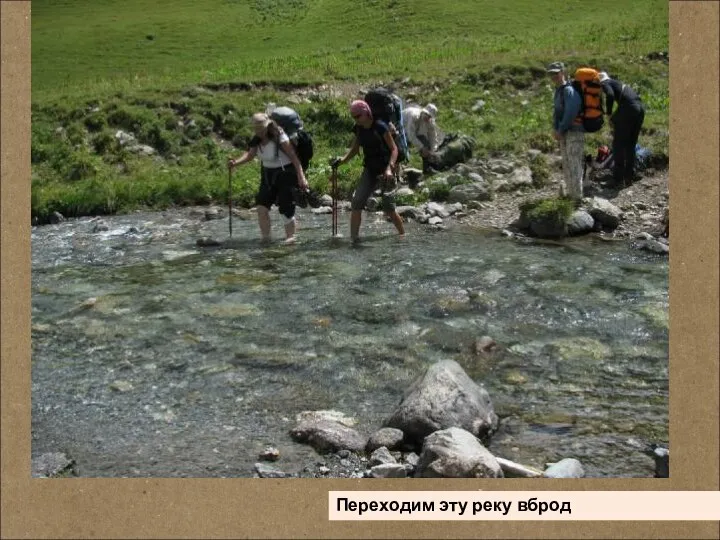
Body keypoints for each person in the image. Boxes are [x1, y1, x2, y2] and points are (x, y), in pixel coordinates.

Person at [331, 100, 405, 244]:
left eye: (358, 116)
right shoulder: (359, 129)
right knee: (357, 202)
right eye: (353, 117)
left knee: (389, 208)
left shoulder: (381, 127)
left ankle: (403, 236)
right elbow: (354, 150)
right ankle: (354, 239)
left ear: (366, 113)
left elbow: (394, 149)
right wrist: (341, 161)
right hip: (370, 170)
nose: (356, 120)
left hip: (386, 171)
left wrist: (390, 168)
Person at [228, 113, 309, 244]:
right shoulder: (256, 139)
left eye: (260, 129)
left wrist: (301, 177)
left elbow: (294, 157)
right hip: (267, 174)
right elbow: (250, 155)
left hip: (286, 174)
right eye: (256, 129)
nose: (258, 131)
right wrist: (235, 163)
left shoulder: (279, 136)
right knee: (261, 208)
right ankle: (266, 239)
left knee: (286, 209)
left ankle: (290, 238)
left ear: (267, 126)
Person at [599, 71, 646, 186]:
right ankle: (629, 177)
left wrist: (609, 114)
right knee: (630, 145)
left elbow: (609, 95)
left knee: (618, 144)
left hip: (628, 108)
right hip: (640, 109)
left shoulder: (605, 83)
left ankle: (617, 179)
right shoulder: (619, 84)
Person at [547, 61, 585, 203]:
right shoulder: (559, 91)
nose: (554, 76)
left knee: (574, 164)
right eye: (551, 74)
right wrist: (557, 130)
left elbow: (571, 112)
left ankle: (577, 198)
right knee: (567, 164)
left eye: (556, 73)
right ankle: (571, 196)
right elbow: (557, 113)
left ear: (562, 72)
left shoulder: (569, 90)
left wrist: (560, 129)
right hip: (564, 133)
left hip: (574, 132)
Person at [402, 103, 439, 173]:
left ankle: (427, 170)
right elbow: (411, 135)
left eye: (430, 117)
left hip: (415, 132)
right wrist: (421, 147)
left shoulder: (430, 121)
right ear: (423, 112)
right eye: (427, 115)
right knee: (401, 149)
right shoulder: (413, 116)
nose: (427, 118)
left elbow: (433, 136)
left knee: (426, 145)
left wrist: (433, 150)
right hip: (403, 128)